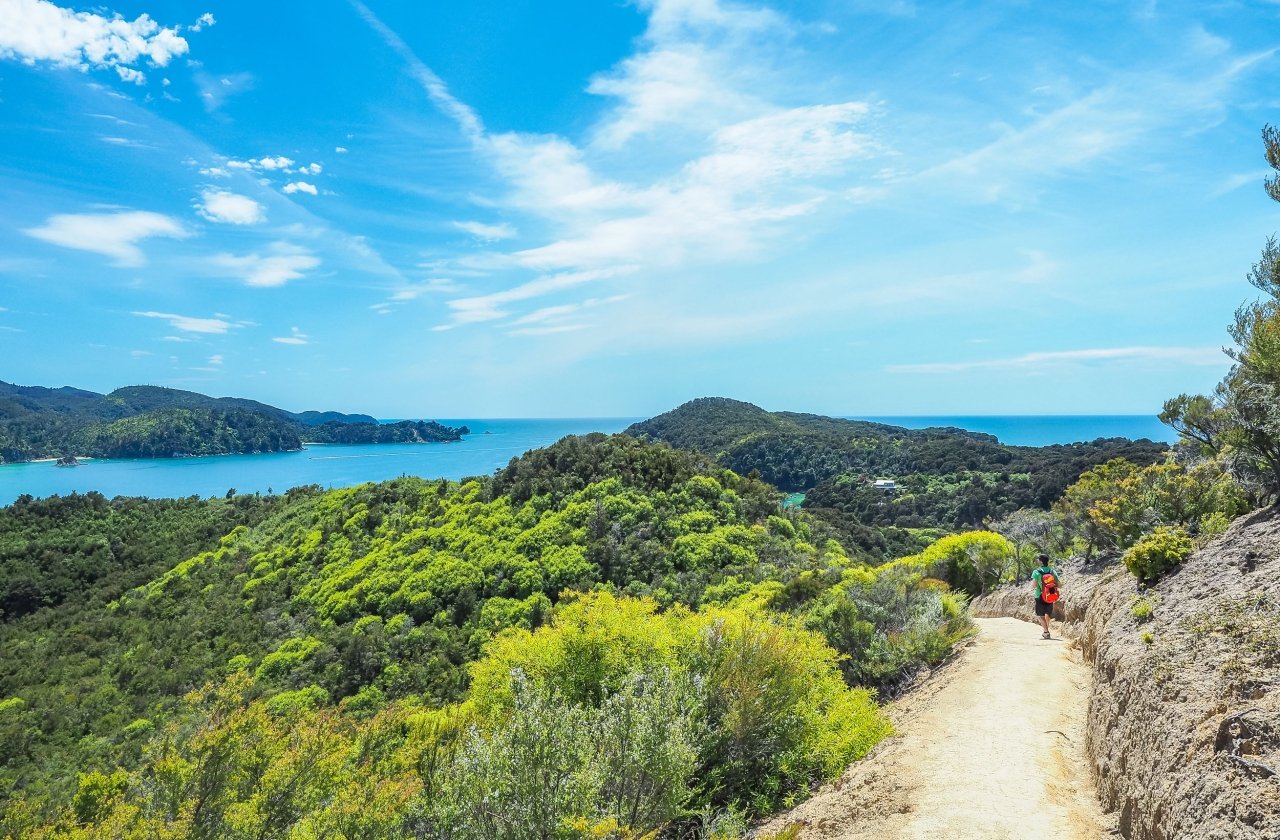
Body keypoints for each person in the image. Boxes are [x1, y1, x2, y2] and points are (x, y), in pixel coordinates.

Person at [1031, 554, 1060, 639]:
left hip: (1039, 595)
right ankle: (1045, 630)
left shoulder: (1036, 572)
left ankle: (1046, 632)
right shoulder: (1052, 571)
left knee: (1040, 615)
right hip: (1050, 595)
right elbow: (1059, 584)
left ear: (1040, 561)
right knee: (1048, 613)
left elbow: (1034, 585)